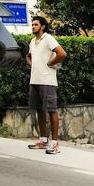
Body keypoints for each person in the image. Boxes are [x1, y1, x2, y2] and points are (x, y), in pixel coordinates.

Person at [26, 16, 66, 154]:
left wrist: (50, 63)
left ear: (42, 26)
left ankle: (54, 144)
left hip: (47, 80)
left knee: (51, 110)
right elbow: (29, 56)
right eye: (32, 24)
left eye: (36, 24)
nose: (33, 26)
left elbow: (62, 53)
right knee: (39, 110)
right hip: (35, 80)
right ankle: (43, 140)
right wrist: (33, 65)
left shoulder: (48, 38)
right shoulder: (32, 41)